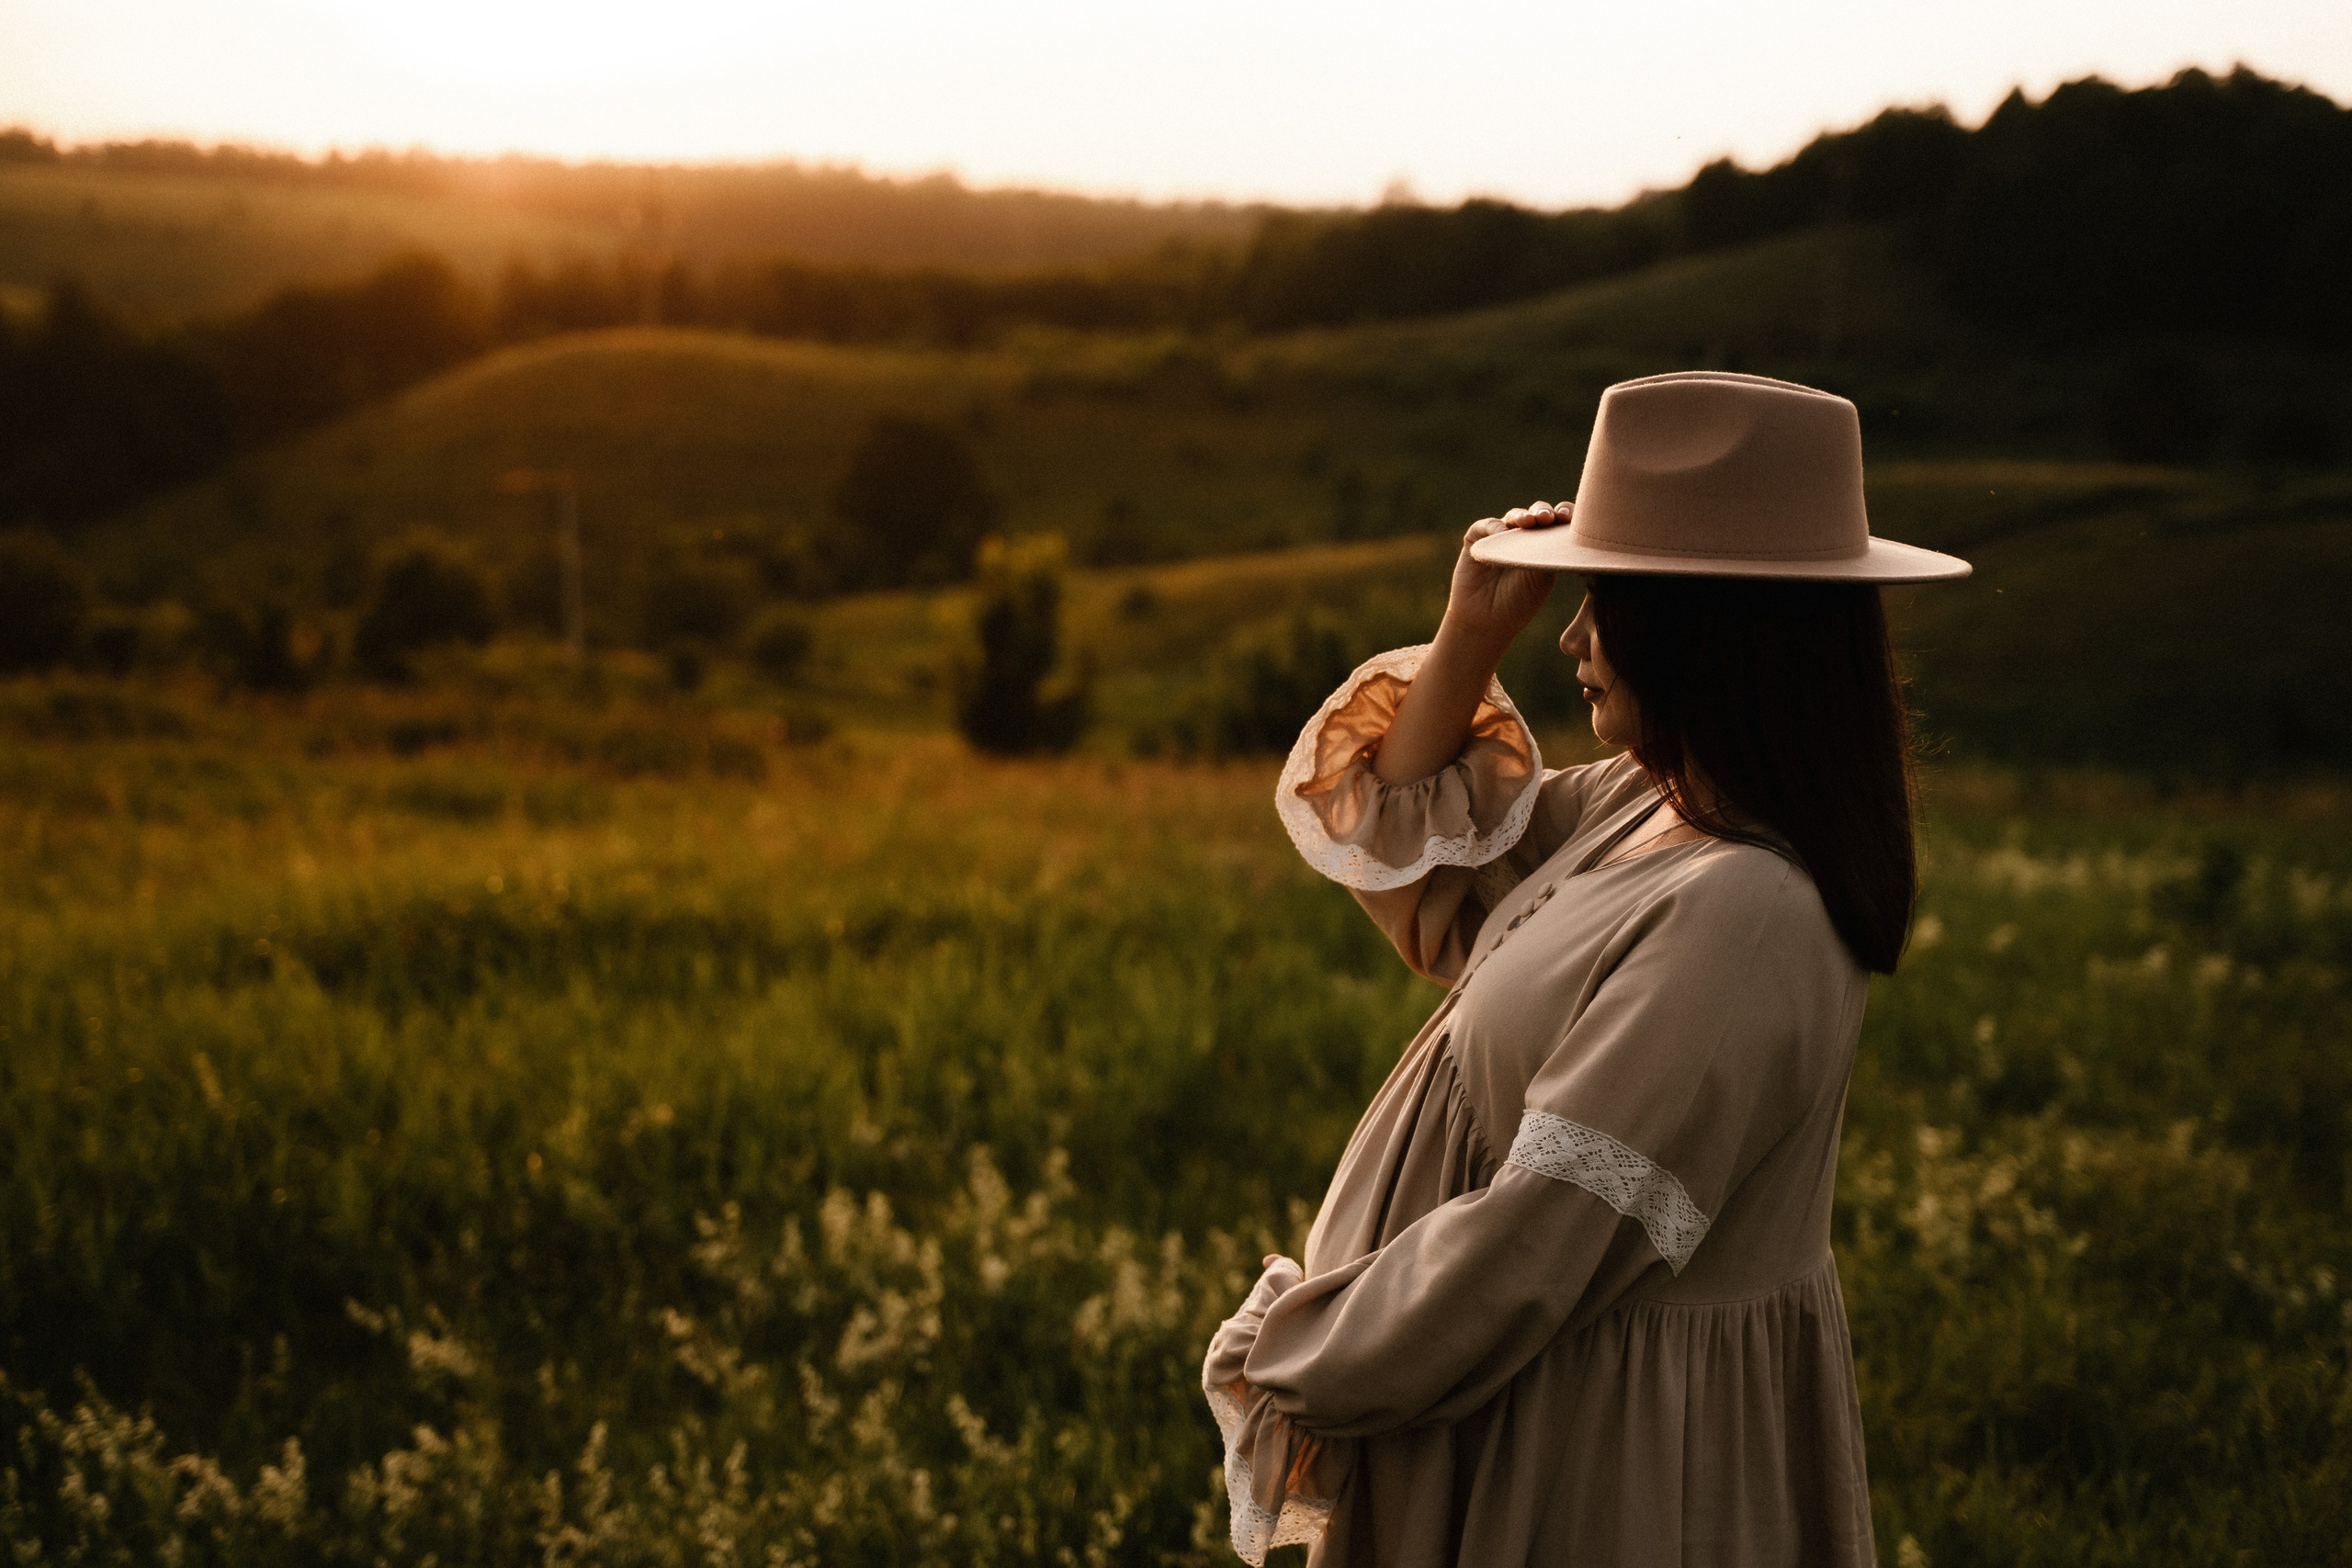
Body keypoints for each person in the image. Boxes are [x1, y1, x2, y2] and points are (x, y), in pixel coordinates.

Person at [1201, 371, 1971, 1567]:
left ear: (1706, 628)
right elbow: (1417, 850)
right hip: (1525, 1404)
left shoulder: (1745, 908)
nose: (1567, 637)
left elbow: (1543, 1243)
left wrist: (1297, 1356)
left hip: (1599, 1454)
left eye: (1605, 600)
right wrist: (1469, 629)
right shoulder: (1645, 810)